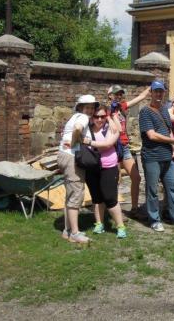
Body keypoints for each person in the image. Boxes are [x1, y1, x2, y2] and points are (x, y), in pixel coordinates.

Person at [138, 81, 174, 232]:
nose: (158, 94)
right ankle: (154, 220)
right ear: (151, 93)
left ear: (164, 93)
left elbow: (168, 129)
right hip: (152, 157)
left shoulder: (164, 109)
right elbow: (151, 135)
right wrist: (172, 141)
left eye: (161, 91)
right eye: (156, 91)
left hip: (167, 156)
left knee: (173, 187)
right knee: (152, 190)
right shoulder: (145, 112)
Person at [57, 94, 99, 244]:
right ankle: (74, 233)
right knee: (76, 194)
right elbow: (77, 129)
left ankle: (66, 230)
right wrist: (76, 141)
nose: (90, 110)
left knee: (70, 194)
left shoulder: (74, 116)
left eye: (92, 107)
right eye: (87, 107)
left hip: (63, 155)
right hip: (71, 158)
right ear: (81, 107)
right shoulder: (82, 118)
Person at [83, 105, 127, 238]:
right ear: (92, 117)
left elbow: (108, 144)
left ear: (106, 116)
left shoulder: (111, 127)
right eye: (96, 116)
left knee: (110, 198)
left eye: (103, 116)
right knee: (96, 198)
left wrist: (89, 143)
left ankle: (120, 227)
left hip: (108, 166)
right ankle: (99, 224)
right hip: (92, 167)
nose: (100, 119)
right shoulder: (87, 128)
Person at [108, 84, 150, 219]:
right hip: (112, 148)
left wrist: (151, 86)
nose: (119, 96)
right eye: (116, 94)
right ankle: (112, 211)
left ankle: (134, 209)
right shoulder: (107, 111)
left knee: (136, 178)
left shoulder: (122, 107)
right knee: (114, 180)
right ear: (110, 96)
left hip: (124, 147)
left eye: (121, 94)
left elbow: (141, 97)